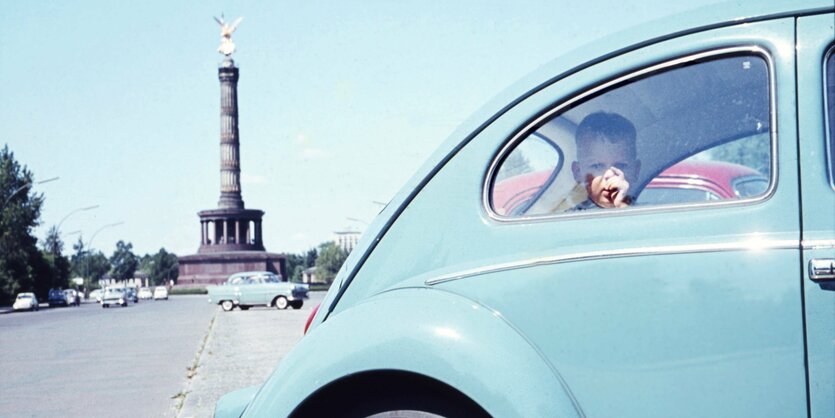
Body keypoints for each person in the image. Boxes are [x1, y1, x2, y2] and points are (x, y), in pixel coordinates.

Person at [568, 111, 641, 210]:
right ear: (578, 172)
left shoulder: (649, 215)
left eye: (620, 166)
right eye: (597, 166)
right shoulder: (570, 219)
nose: (610, 175)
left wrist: (623, 206)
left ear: (636, 171)